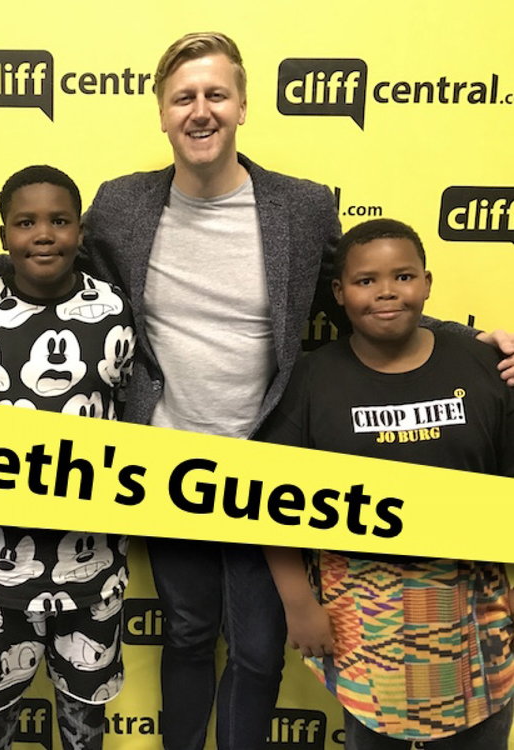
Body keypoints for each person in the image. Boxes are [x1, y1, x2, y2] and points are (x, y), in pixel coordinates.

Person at [82, 31, 514, 750]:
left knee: (258, 651)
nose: (200, 111)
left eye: (216, 95)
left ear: (242, 106)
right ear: (161, 112)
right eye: (184, 97)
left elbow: (361, 295)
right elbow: (59, 271)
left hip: (269, 465)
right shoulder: (121, 204)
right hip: (166, 465)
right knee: (186, 633)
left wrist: (471, 344)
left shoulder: (300, 207)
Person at [262, 218, 514, 748]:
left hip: (475, 614)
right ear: (339, 292)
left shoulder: (484, 368)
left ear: (427, 283)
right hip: (363, 617)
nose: (386, 292)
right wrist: (298, 604)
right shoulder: (311, 380)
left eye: (403, 276)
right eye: (365, 280)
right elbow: (272, 502)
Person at [0, 165, 135, 750]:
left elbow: (130, 418)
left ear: (80, 232)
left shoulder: (113, 311)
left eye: (59, 221)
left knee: (84, 718)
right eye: (25, 223)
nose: (43, 234)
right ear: (3, 235)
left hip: (93, 565)